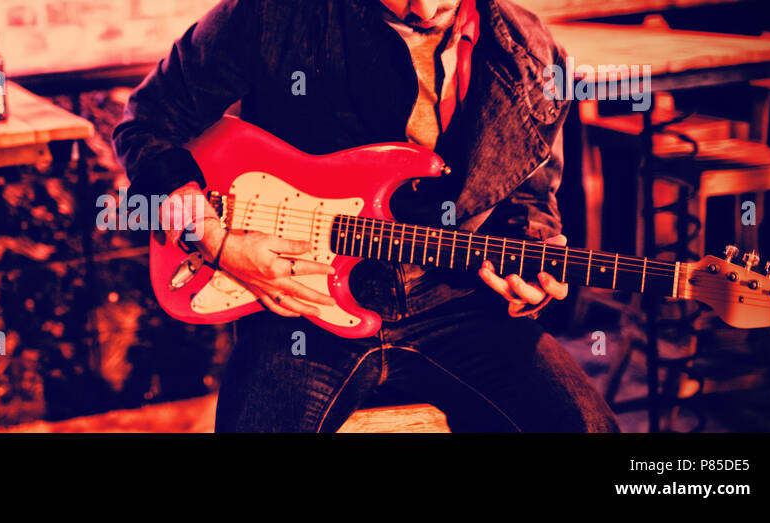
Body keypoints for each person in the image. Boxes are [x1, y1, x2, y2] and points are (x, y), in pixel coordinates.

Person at [113, 0, 620, 432]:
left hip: (457, 297)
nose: (422, 7)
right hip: (302, 300)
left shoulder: (530, 55)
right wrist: (215, 238)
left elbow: (528, 201)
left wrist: (532, 255)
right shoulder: (275, 13)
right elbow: (147, 121)